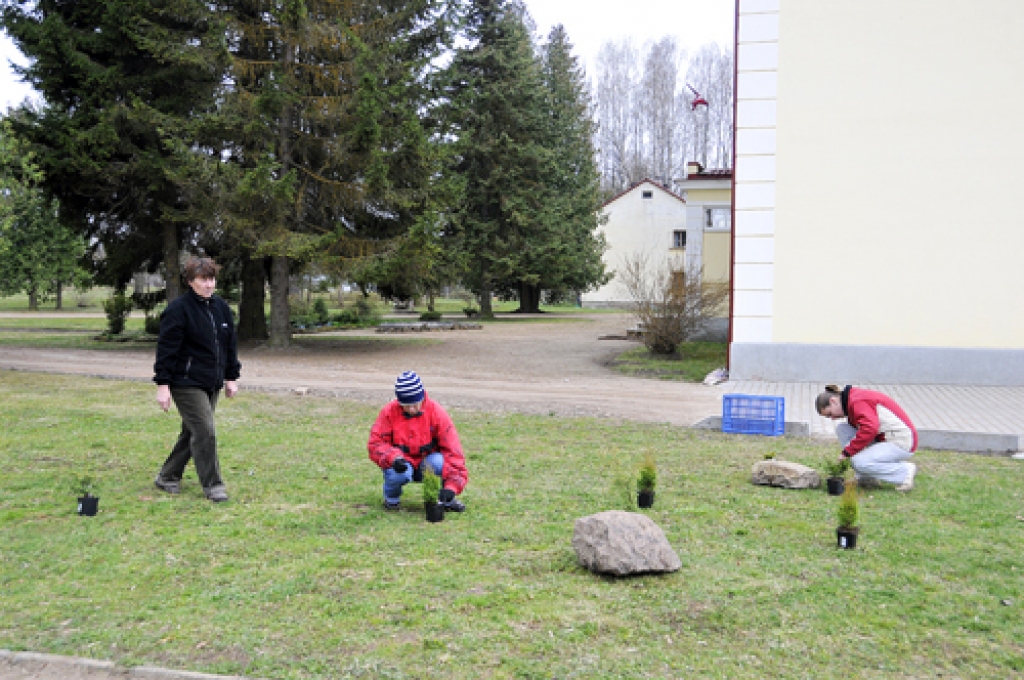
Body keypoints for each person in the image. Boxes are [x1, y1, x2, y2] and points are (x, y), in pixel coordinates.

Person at [152, 256, 241, 503]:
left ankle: (168, 476)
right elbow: (166, 350)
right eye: (203, 279)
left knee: (193, 431)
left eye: (211, 278)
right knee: (205, 431)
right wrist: (163, 385)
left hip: (210, 382)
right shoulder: (178, 310)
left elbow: (229, 346)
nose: (208, 284)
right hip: (185, 381)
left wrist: (231, 378)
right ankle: (213, 486)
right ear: (191, 281)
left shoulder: (221, 308)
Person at [368, 371, 468, 512]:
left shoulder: (437, 413)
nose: (411, 409)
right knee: (397, 474)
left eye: (415, 404)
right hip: (401, 463)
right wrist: (394, 458)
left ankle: (445, 500)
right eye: (406, 405)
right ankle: (391, 501)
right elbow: (376, 444)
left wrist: (452, 487)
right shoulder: (388, 413)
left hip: (428, 462)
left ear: (422, 398)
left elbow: (453, 451)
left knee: (439, 462)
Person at [816, 384, 917, 491]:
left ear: (833, 401)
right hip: (885, 437)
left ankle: (904, 472)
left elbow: (870, 429)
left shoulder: (857, 401)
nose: (832, 418)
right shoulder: (852, 399)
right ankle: (866, 477)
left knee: (858, 461)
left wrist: (848, 452)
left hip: (901, 441)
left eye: (830, 413)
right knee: (842, 429)